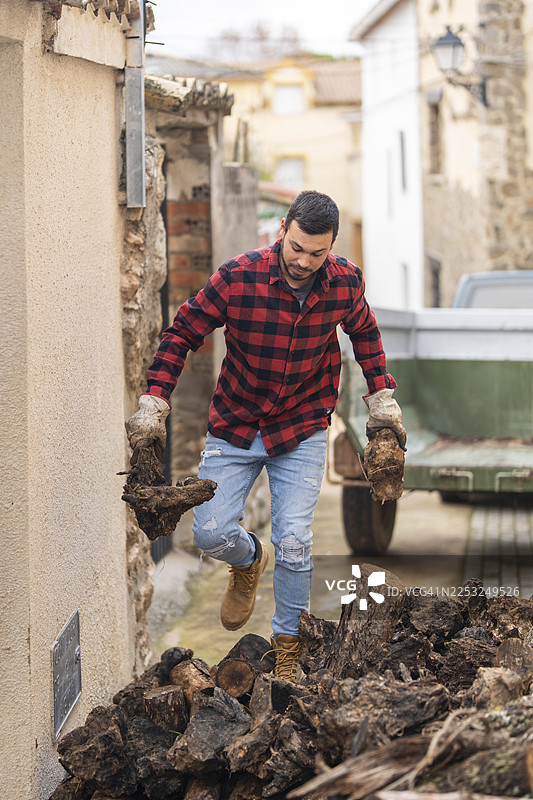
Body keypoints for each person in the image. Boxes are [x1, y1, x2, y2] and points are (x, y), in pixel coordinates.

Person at [126, 190, 406, 681]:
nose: (303, 261)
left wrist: (381, 398)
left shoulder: (344, 283)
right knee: (210, 533)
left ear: (331, 247)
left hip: (301, 426)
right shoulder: (239, 277)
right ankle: (250, 558)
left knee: (296, 540)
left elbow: (365, 335)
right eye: (296, 247)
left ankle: (287, 646)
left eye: (317, 253)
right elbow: (183, 332)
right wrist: (154, 400)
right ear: (283, 230)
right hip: (236, 422)